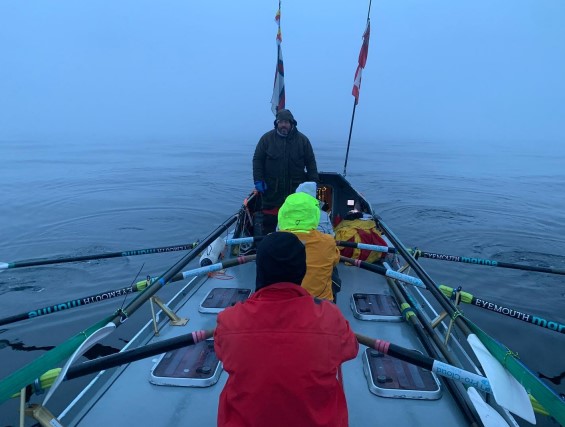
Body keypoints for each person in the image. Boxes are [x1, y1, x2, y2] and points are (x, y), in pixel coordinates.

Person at [214, 232, 358, 427]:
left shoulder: (229, 320)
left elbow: (221, 351)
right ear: (302, 271)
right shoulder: (331, 317)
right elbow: (351, 349)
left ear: (259, 270)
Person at [252, 109, 319, 234]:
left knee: (295, 223)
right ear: (276, 123)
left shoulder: (303, 140)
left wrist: (313, 183)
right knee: (270, 226)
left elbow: (311, 163)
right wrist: (258, 180)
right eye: (281, 122)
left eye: (286, 122)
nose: (283, 125)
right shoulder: (266, 139)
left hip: (296, 191)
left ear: (292, 123)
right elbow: (257, 160)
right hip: (272, 192)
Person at [278, 191, 340, 301]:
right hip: (319, 304)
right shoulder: (328, 241)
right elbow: (335, 260)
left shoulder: (270, 241)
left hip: (283, 302)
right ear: (315, 214)